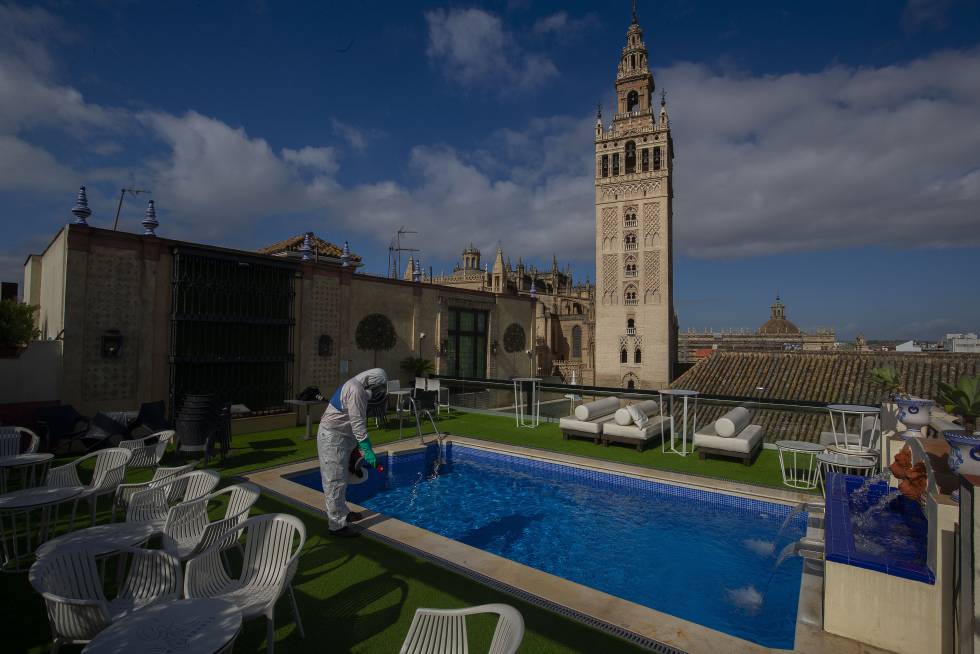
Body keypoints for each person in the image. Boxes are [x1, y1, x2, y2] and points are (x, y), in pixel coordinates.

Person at [316, 367, 387, 537]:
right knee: (334, 480)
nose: (378, 390)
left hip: (343, 437)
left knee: (342, 478)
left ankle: (343, 512)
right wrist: (367, 450)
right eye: (378, 387)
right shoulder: (356, 390)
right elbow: (358, 425)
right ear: (371, 382)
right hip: (332, 438)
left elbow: (364, 400)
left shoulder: (355, 385)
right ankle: (336, 526)